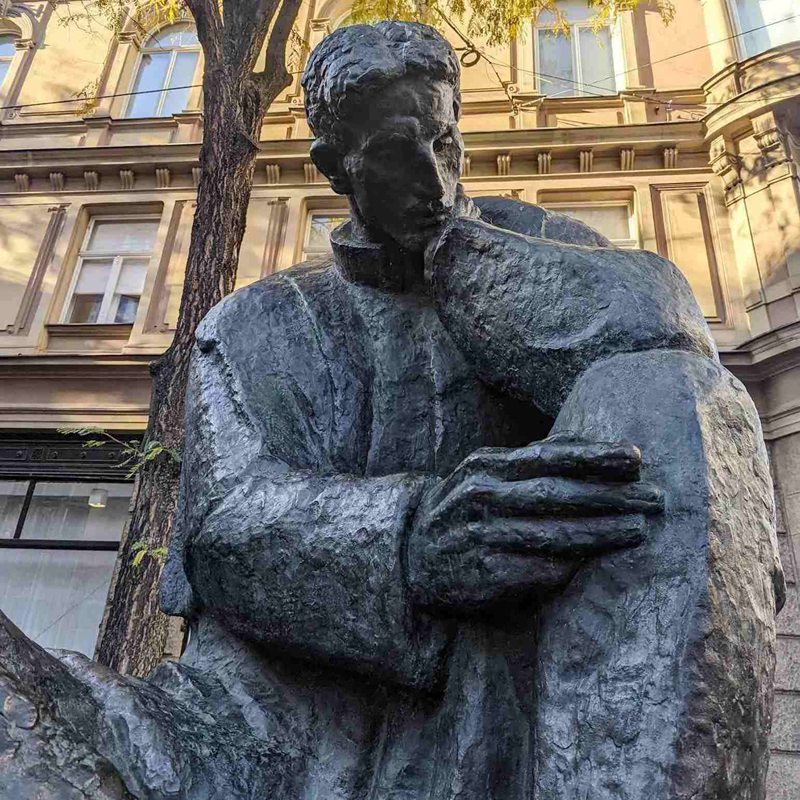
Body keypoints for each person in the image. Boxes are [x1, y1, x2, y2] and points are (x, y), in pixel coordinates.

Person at [0, 21, 783, 800]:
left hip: (509, 730)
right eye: (395, 156)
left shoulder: (541, 255)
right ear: (334, 168)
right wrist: (410, 539)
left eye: (444, 143)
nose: (435, 183)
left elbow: (668, 342)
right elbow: (224, 529)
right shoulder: (257, 323)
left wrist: (467, 263)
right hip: (268, 738)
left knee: (676, 392)